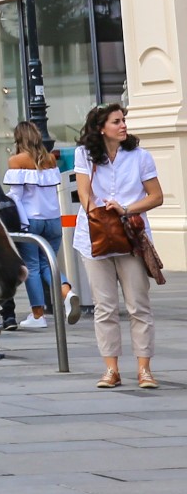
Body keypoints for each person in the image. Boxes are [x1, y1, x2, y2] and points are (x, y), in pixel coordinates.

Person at [74, 104, 162, 390]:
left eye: (124, 120)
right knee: (105, 307)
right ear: (102, 128)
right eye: (117, 121)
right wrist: (100, 216)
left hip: (130, 238)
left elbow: (156, 196)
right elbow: (84, 192)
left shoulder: (140, 156)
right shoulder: (85, 154)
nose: (123, 125)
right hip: (94, 237)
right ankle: (111, 370)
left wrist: (124, 209)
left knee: (138, 305)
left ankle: (144, 369)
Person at [2, 122, 64, 330]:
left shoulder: (16, 160)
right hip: (54, 220)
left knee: (33, 267)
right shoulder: (50, 159)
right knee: (50, 264)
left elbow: (16, 196)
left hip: (31, 220)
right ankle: (68, 293)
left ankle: (38, 315)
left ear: (19, 138)